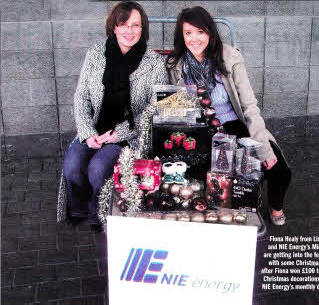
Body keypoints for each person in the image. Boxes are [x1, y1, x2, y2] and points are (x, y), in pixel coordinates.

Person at [167, 6, 291, 225]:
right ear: (181, 35)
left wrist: (263, 148)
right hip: (199, 128)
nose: (195, 39)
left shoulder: (229, 57)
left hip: (232, 123)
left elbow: (250, 106)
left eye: (201, 32)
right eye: (188, 33)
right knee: (209, 179)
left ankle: (275, 205)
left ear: (210, 32)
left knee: (278, 168)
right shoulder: (176, 64)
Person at [57, 1, 168, 231]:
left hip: (129, 134)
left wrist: (117, 134)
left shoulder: (154, 63)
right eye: (123, 24)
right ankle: (79, 207)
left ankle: (98, 212)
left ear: (143, 28)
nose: (129, 31)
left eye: (135, 25)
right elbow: (81, 98)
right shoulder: (96, 55)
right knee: (72, 166)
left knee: (98, 170)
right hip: (95, 128)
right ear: (114, 27)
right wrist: (88, 134)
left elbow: (154, 109)